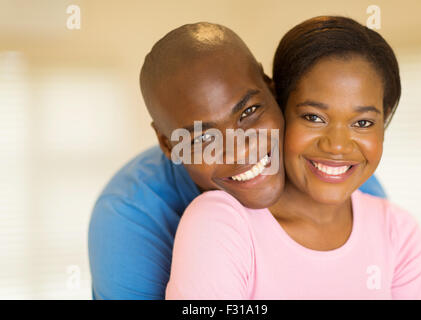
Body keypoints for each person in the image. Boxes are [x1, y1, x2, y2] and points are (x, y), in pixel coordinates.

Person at [88, 22, 387, 300]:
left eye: (249, 112)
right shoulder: (128, 218)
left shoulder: (334, 175)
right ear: (168, 145)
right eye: (203, 139)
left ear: (272, 89)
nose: (240, 151)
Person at [165, 16, 421, 299]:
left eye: (363, 122)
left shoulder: (398, 233)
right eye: (313, 117)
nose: (337, 146)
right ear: (278, 107)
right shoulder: (221, 222)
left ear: (385, 122)